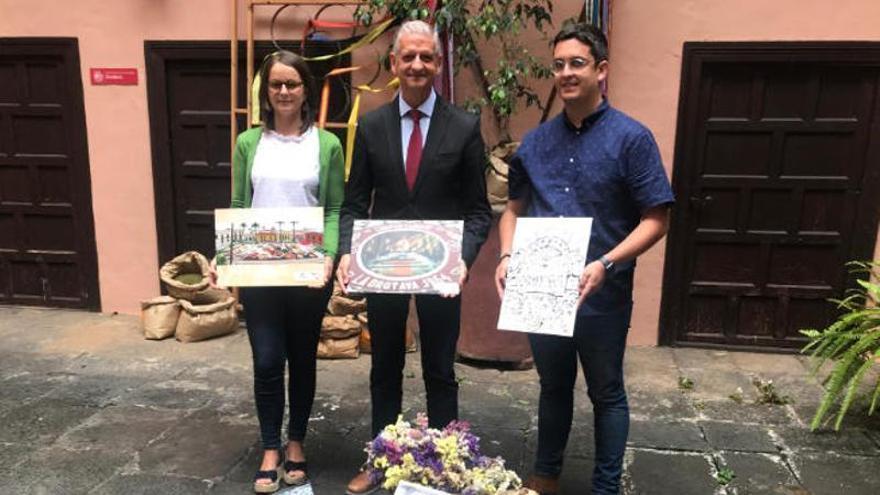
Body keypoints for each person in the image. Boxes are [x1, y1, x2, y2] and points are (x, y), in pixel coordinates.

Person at [494, 23, 674, 495]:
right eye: (559, 65)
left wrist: (607, 264)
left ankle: (606, 487)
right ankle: (546, 475)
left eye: (577, 63)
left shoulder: (632, 139)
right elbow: (512, 212)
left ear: (601, 70)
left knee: (606, 393)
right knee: (553, 387)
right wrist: (507, 256)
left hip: (603, 292)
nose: (567, 73)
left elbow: (656, 220)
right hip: (543, 292)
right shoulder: (534, 144)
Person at [335, 20, 492, 495]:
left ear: (438, 64)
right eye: (409, 57)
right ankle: (381, 459)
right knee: (383, 366)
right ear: (395, 64)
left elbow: (478, 211)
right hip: (383, 267)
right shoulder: (372, 125)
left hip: (442, 272)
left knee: (440, 369)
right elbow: (354, 204)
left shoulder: (463, 126)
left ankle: (445, 465)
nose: (418, 65)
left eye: (426, 57)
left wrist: (464, 259)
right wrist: (346, 252)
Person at [224, 50, 344, 494]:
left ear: (305, 89)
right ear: (266, 92)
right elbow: (239, 206)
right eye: (275, 84)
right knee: (267, 359)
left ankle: (296, 442)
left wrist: (329, 257)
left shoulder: (327, 145)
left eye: (292, 83)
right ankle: (270, 446)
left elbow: (332, 209)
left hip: (308, 273)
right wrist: (230, 261)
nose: (284, 92)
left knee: (303, 359)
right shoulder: (248, 143)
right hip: (261, 273)